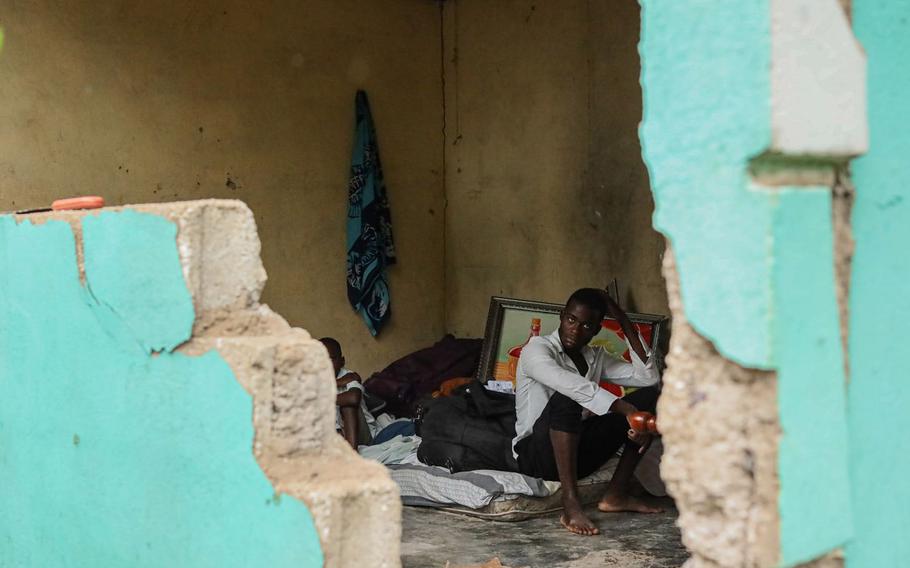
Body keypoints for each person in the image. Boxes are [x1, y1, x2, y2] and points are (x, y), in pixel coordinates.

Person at [512, 288, 662, 536]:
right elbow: (571, 385)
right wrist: (626, 409)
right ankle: (570, 503)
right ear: (562, 317)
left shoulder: (594, 356)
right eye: (571, 320)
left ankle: (616, 495)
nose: (575, 329)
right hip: (536, 456)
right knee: (568, 397)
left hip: (577, 452)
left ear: (596, 330)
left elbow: (647, 376)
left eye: (586, 325)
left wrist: (622, 319)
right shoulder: (536, 350)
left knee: (653, 395)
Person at [320, 337, 378, 448]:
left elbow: (353, 398)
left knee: (347, 405)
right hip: (340, 435)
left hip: (364, 435)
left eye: (330, 359)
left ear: (342, 361)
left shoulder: (348, 375)